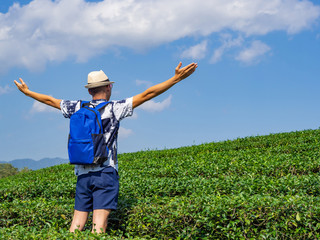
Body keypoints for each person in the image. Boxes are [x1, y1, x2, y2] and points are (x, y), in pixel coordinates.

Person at [14, 62, 198, 233]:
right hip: (105, 172)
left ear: (90, 91)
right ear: (109, 86)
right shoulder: (114, 108)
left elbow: (49, 100)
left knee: (76, 224)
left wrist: (27, 92)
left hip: (82, 173)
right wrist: (176, 79)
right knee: (99, 225)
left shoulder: (76, 107)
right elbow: (148, 94)